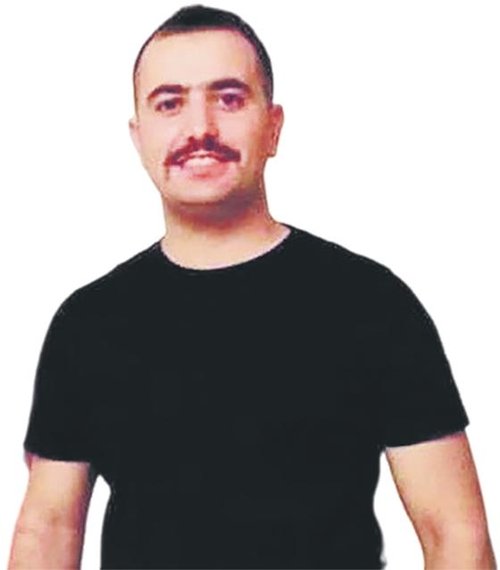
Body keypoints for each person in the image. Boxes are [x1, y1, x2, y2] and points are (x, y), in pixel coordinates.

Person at [8, 5, 496, 569]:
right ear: (138, 139)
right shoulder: (86, 324)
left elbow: (454, 533)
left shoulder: (372, 304)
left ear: (274, 126)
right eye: (169, 103)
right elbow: (46, 531)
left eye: (229, 98)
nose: (199, 128)